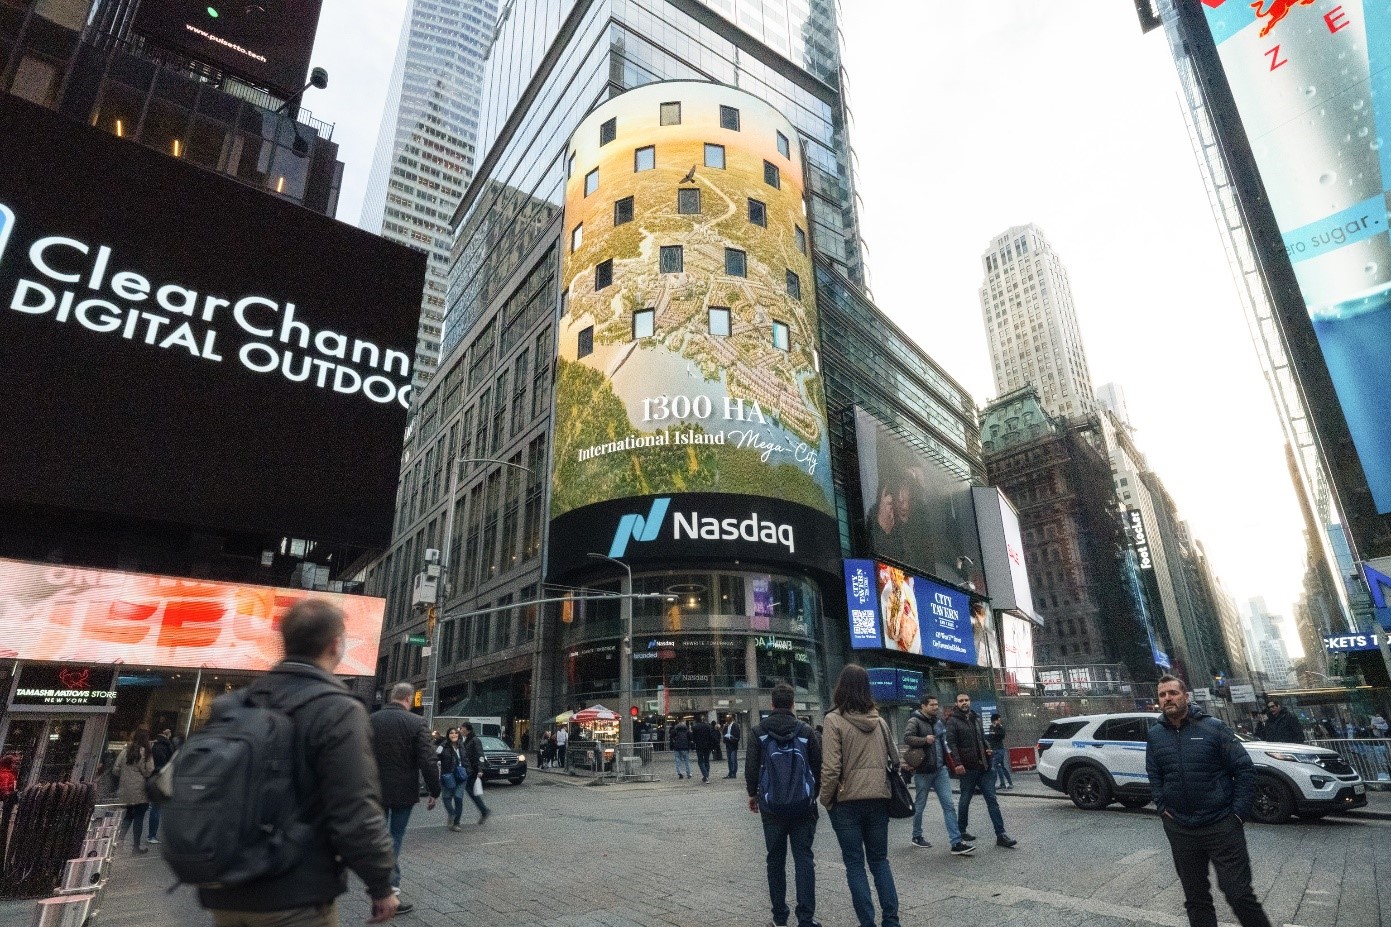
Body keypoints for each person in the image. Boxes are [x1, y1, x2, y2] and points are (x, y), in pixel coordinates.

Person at [198, 598, 398, 926]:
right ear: (335, 644)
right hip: (293, 895)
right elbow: (354, 808)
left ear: (286, 642)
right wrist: (380, 885)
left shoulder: (233, 704)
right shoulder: (338, 709)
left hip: (226, 889)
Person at [1147, 674, 1273, 927]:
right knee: (1195, 899)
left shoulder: (1213, 727)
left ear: (1186, 696)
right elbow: (1155, 773)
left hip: (1221, 825)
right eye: (1162, 695)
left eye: (1173, 693)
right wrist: (1163, 808)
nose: (1168, 698)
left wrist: (1237, 814)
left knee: (1239, 894)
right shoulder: (1155, 735)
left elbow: (1244, 769)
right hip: (1180, 828)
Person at [819, 665, 900, 927]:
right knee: (880, 860)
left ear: (840, 688)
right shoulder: (880, 721)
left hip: (846, 803)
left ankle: (867, 923)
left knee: (855, 864)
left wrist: (825, 799)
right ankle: (891, 920)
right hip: (878, 799)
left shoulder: (833, 720)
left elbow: (831, 768)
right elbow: (896, 759)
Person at [746, 683, 822, 927]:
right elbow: (817, 767)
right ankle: (806, 919)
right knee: (804, 859)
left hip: (772, 807)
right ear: (792, 704)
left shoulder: (758, 732)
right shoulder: (806, 731)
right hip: (803, 806)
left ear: (772, 704)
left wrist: (753, 794)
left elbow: (751, 768)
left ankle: (780, 919)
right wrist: (813, 795)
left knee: (775, 861)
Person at [371, 681, 440, 914]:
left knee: (381, 836)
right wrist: (435, 791)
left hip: (375, 790)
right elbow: (428, 760)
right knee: (395, 837)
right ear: (409, 699)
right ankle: (389, 889)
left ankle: (384, 884)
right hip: (403, 791)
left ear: (392, 696)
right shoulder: (416, 722)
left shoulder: (372, 719)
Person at [945, 693, 1017, 849]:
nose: (964, 703)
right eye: (961, 701)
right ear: (956, 703)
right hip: (968, 768)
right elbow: (952, 744)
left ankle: (1001, 834)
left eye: (966, 700)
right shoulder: (952, 721)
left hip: (984, 767)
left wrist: (987, 748)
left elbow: (982, 739)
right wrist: (958, 763)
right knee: (965, 799)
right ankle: (961, 830)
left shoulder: (975, 718)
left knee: (992, 799)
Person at [903, 695, 972, 855]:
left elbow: (945, 743)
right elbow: (907, 738)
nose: (935, 707)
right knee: (920, 805)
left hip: (940, 770)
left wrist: (951, 762)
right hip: (923, 771)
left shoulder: (938, 721)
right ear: (923, 706)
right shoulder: (915, 721)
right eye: (932, 705)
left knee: (949, 805)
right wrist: (924, 740)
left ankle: (956, 842)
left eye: (936, 704)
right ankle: (917, 836)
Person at [115, 728, 155, 854]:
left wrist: (125, 776)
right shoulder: (145, 753)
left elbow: (116, 769)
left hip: (125, 790)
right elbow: (149, 771)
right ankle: (136, 847)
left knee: (127, 817)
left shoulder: (125, 751)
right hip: (140, 791)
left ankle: (118, 844)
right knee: (139, 818)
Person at [146, 727, 175, 845]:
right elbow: (167, 764)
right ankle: (153, 835)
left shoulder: (155, 745)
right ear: (167, 733)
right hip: (162, 779)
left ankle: (152, 835)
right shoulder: (166, 746)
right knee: (158, 809)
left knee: (156, 808)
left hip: (154, 778)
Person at [460, 722, 491, 823]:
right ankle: (484, 810)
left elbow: (480, 754)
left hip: (473, 769)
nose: (460, 730)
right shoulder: (466, 740)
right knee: (470, 790)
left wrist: (480, 769)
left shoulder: (474, 740)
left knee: (471, 790)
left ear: (467, 729)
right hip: (467, 769)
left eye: (462, 728)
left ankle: (484, 810)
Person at [437, 728, 467, 832]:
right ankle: (451, 813)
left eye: (455, 733)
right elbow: (435, 757)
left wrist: (469, 771)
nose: (454, 735)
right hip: (447, 775)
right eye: (451, 733)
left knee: (458, 798)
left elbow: (466, 759)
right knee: (446, 798)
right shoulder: (443, 746)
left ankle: (456, 823)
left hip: (460, 775)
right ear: (448, 735)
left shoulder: (462, 745)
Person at [987, 714, 1012, 790]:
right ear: (994, 720)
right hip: (994, 749)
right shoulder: (991, 728)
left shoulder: (1000, 727)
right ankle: (1004, 784)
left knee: (995, 766)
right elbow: (990, 738)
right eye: (998, 719)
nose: (1000, 721)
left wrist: (995, 733)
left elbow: (1002, 735)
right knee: (1000, 767)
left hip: (999, 750)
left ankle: (995, 785)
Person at [692, 716, 719, 783]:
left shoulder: (695, 727)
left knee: (700, 761)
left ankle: (706, 775)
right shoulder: (708, 726)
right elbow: (710, 736)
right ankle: (706, 776)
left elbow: (693, 738)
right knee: (706, 761)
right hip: (707, 746)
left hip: (699, 746)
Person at [724, 715, 742, 779]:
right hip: (728, 744)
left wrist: (732, 737)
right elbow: (724, 733)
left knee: (733, 760)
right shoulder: (727, 726)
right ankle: (730, 772)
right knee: (729, 760)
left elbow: (737, 736)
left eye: (728, 719)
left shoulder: (735, 725)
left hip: (733, 745)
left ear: (730, 720)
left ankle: (734, 773)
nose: (727, 721)